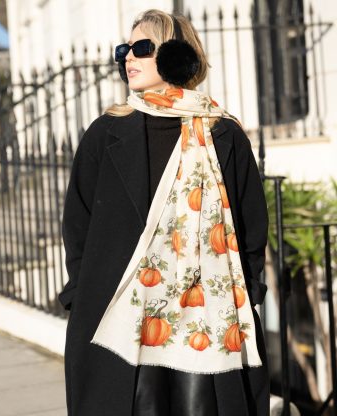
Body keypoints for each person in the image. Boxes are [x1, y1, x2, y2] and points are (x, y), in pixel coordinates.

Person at [58, 9, 270, 416]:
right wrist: (80, 297)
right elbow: (78, 222)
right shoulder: (106, 133)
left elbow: (251, 225)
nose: (128, 58)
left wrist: (251, 292)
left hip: (205, 316)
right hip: (122, 313)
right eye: (125, 49)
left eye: (141, 48)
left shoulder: (223, 133)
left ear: (176, 55)